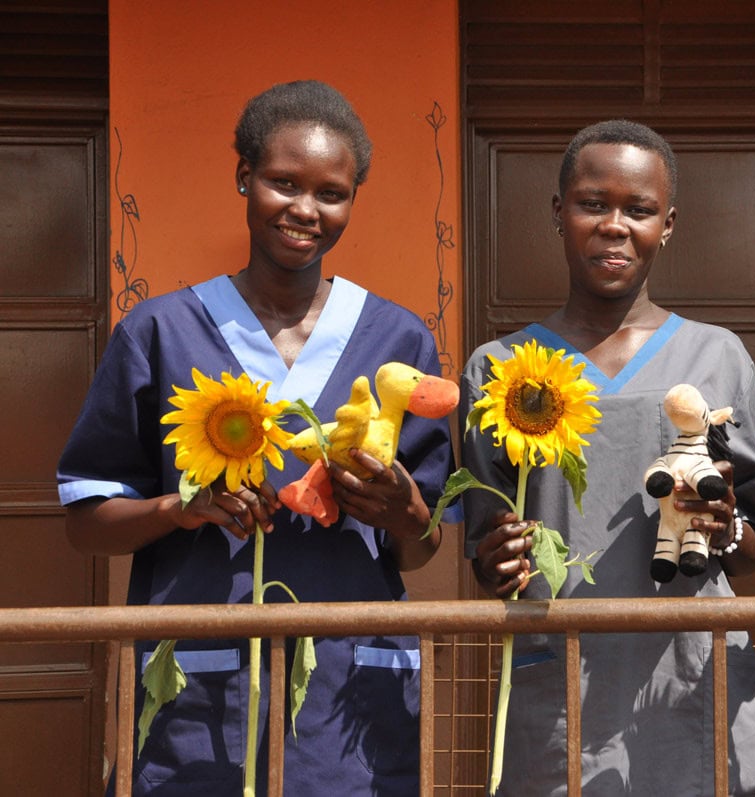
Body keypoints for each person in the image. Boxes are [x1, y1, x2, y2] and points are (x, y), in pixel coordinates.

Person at [57, 80, 454, 795]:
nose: (305, 209)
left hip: (349, 693)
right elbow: (87, 523)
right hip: (201, 698)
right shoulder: (158, 332)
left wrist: (402, 512)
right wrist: (178, 510)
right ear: (243, 175)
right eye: (282, 183)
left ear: (353, 200)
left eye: (331, 193)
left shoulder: (398, 340)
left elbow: (421, 549)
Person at [462, 119, 755, 796]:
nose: (614, 225)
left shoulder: (719, 357)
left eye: (638, 209)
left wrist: (724, 526)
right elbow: (486, 553)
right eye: (592, 204)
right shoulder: (500, 371)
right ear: (558, 213)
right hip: (560, 687)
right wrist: (496, 558)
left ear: (667, 224)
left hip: (693, 683)